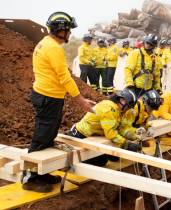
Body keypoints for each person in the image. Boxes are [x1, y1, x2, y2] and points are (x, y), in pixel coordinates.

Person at [22, 11, 96, 193]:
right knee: (41, 137)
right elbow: (64, 77)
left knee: (48, 136)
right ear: (60, 30)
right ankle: (30, 177)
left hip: (49, 95)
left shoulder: (45, 44)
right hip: (48, 97)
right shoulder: (53, 48)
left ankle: (42, 171)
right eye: (68, 30)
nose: (70, 33)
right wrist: (80, 100)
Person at [69, 88, 142, 165]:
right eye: (128, 107)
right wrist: (126, 144)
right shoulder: (109, 110)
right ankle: (79, 161)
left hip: (93, 135)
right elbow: (110, 133)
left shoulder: (117, 110)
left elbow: (120, 129)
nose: (128, 110)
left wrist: (134, 134)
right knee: (101, 161)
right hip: (80, 136)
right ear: (122, 101)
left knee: (113, 157)